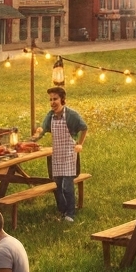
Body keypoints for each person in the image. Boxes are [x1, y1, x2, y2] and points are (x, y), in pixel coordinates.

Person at [31, 86, 88, 223]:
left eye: (55, 99)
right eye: (50, 99)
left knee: (66, 186)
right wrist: (35, 137)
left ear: (62, 99)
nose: (52, 102)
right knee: (56, 186)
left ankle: (71, 213)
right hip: (57, 154)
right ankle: (62, 211)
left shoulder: (71, 115)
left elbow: (84, 127)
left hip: (69, 154)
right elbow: (42, 129)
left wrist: (80, 143)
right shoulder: (50, 115)